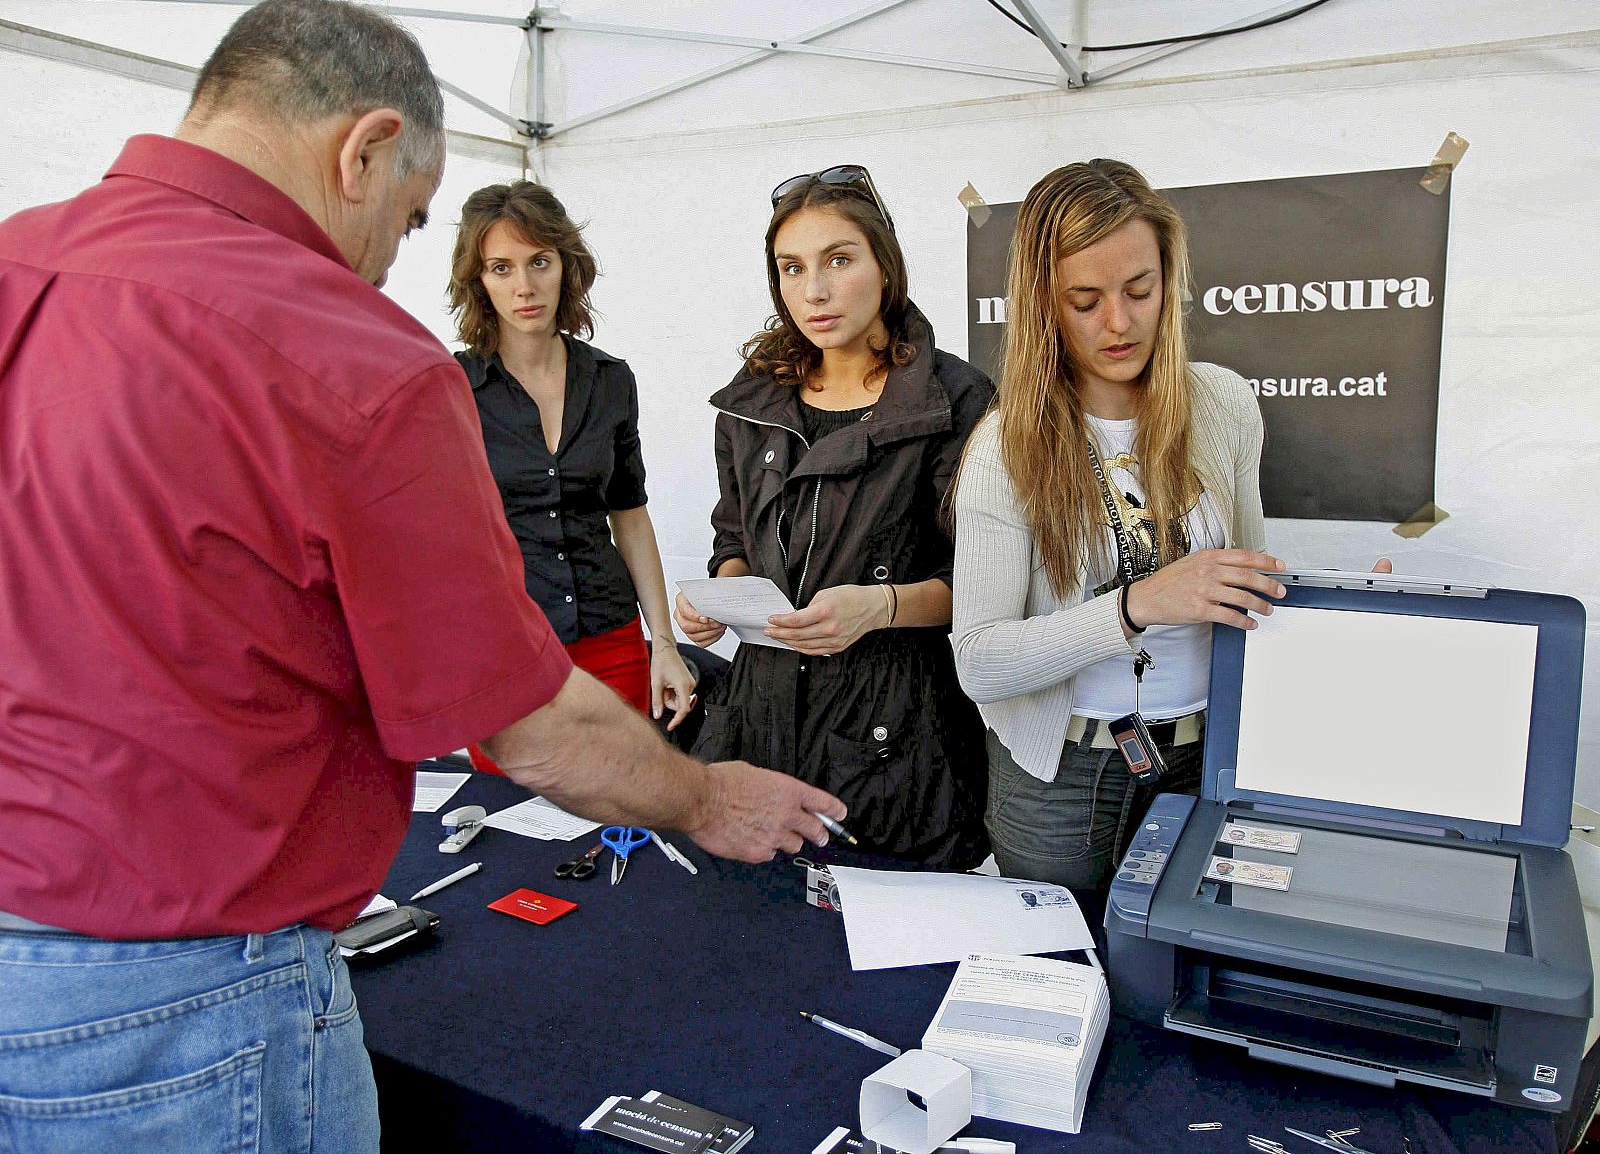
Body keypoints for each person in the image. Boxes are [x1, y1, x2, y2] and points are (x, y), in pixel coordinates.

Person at [0, 0, 842, 1153]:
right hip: (192, 1000)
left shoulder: (18, 262)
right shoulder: (353, 357)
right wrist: (705, 799)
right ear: (366, 148)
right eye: (404, 218)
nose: (385, 257)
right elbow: (529, 729)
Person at [950, 158, 1285, 913]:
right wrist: (1137, 606)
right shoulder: (1005, 447)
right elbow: (979, 661)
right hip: (1062, 779)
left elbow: (1247, 586)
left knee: (1187, 965)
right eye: (1086, 300)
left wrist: (1340, 606)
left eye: (1140, 290)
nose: (1120, 323)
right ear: (1042, 305)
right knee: (1064, 966)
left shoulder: (1225, 406)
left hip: (1204, 757)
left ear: (1170, 281)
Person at [674, 165, 993, 869]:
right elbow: (734, 536)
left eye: (838, 260)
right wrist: (720, 597)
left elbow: (990, 584)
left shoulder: (956, 401)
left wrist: (879, 607)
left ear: (885, 266)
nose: (813, 291)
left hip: (894, 738)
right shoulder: (751, 403)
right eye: (792, 268)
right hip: (759, 720)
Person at [447, 181, 696, 764]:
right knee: (511, 814)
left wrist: (664, 643)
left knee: (625, 800)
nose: (524, 286)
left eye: (539, 261)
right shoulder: (452, 388)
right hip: (506, 652)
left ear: (566, 264)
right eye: (501, 268)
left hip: (611, 639)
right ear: (479, 282)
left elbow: (630, 517)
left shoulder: (611, 380)